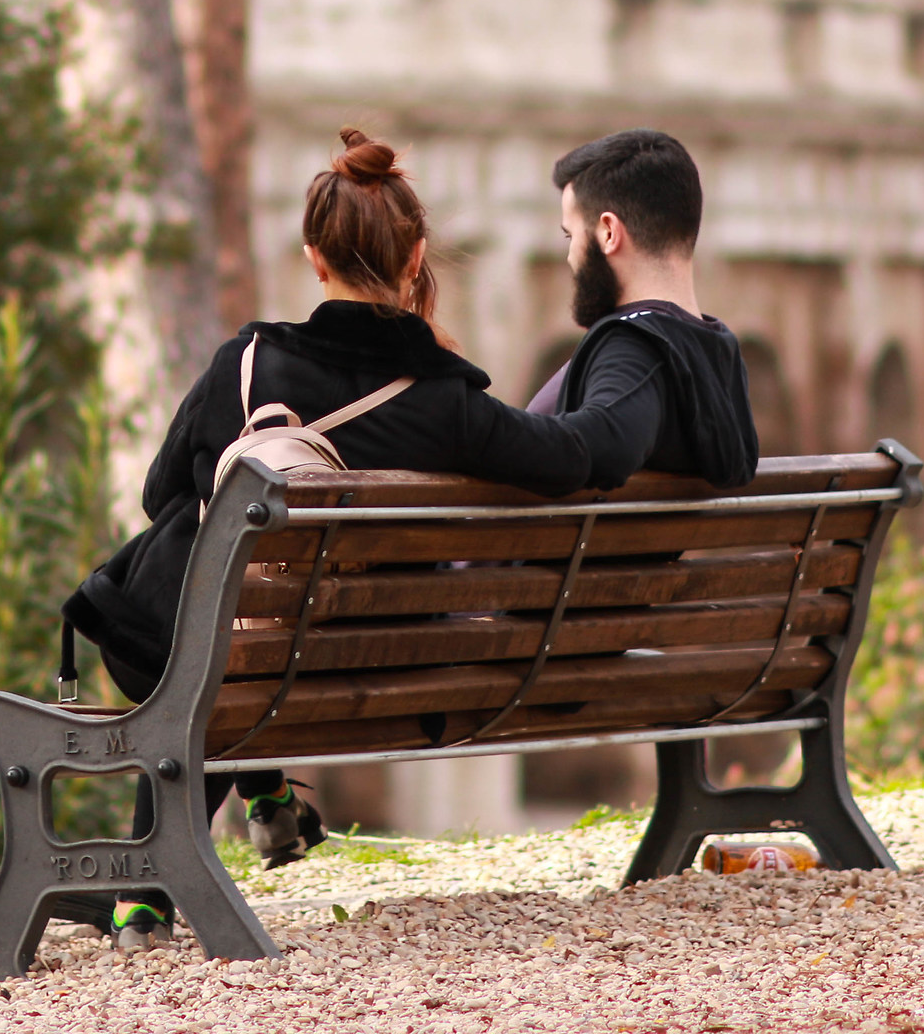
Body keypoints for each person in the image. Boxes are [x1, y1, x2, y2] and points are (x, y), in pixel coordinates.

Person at [61, 128, 594, 951]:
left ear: (315, 256)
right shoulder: (450, 405)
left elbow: (157, 494)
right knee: (254, 640)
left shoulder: (244, 364)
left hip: (200, 658)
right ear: (419, 257)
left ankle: (149, 888)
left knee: (220, 629)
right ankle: (257, 799)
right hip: (365, 670)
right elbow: (567, 461)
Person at [527, 129, 760, 489]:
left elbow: (608, 443)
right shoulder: (716, 353)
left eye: (570, 236)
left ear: (608, 232)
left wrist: (476, 426)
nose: (570, 257)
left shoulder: (635, 346)